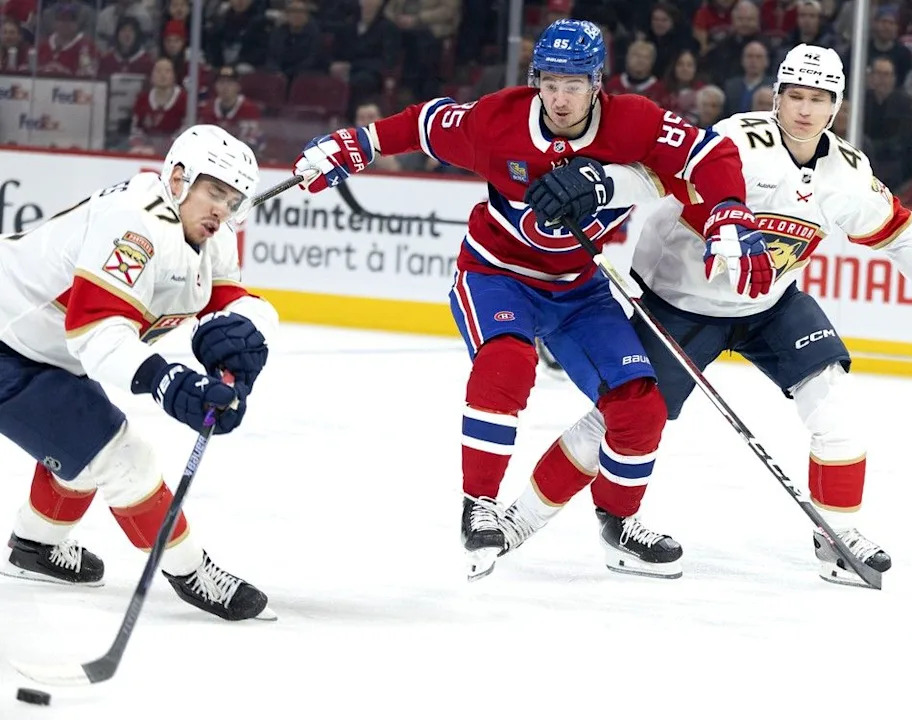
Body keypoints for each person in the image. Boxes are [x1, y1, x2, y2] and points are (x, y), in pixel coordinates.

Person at [292, 18, 772, 580]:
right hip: (497, 275)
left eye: (574, 83)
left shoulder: (634, 121)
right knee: (509, 362)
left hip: (579, 289)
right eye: (549, 81)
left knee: (642, 405)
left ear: (598, 83)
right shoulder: (499, 119)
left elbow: (708, 153)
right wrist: (352, 145)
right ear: (535, 79)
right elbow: (424, 123)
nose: (560, 97)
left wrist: (729, 208)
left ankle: (619, 525)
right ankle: (481, 505)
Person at [501, 45, 912, 588]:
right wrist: (599, 185)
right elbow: (656, 174)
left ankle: (837, 534)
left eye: (818, 100)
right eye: (795, 97)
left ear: (835, 106)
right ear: (776, 97)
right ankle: (520, 521)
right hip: (680, 304)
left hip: (772, 305)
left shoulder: (847, 172)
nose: (805, 110)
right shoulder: (739, 142)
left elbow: (899, 230)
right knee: (622, 420)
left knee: (834, 404)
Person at [0, 125, 278, 621]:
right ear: (177, 179)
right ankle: (190, 570)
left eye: (234, 198)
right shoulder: (133, 226)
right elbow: (96, 333)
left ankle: (35, 547)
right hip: (7, 345)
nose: (223, 208)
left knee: (80, 449)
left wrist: (240, 348)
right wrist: (168, 382)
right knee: (121, 455)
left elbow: (226, 305)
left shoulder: (212, 235)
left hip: (41, 351)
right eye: (214, 191)